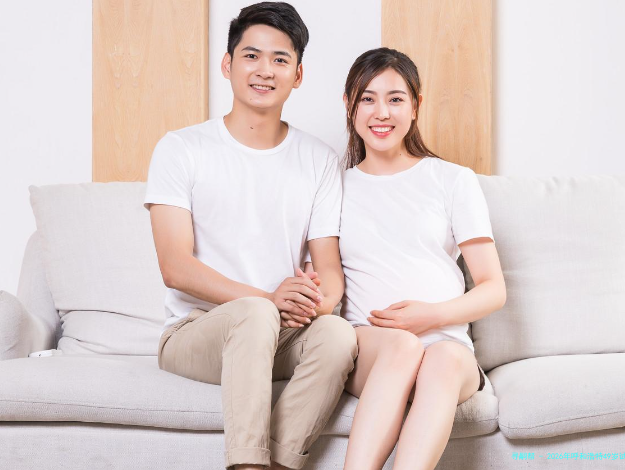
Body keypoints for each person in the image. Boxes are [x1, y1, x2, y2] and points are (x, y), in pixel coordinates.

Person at [143, 3, 357, 470]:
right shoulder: (182, 148)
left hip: (278, 330)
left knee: (338, 334)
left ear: (298, 75)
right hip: (196, 332)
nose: (265, 70)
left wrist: (310, 305)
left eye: (280, 59)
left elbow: (329, 273)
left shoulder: (318, 160)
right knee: (256, 314)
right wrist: (269, 299)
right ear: (228, 64)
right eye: (251, 56)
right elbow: (174, 267)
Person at [314, 47, 507, 469]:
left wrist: (431, 316)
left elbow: (493, 288)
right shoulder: (332, 188)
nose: (381, 112)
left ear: (416, 106)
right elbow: (323, 275)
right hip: (372, 347)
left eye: (396, 99)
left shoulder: (452, 180)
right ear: (349, 105)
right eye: (367, 98)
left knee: (442, 358)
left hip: (447, 347)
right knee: (401, 345)